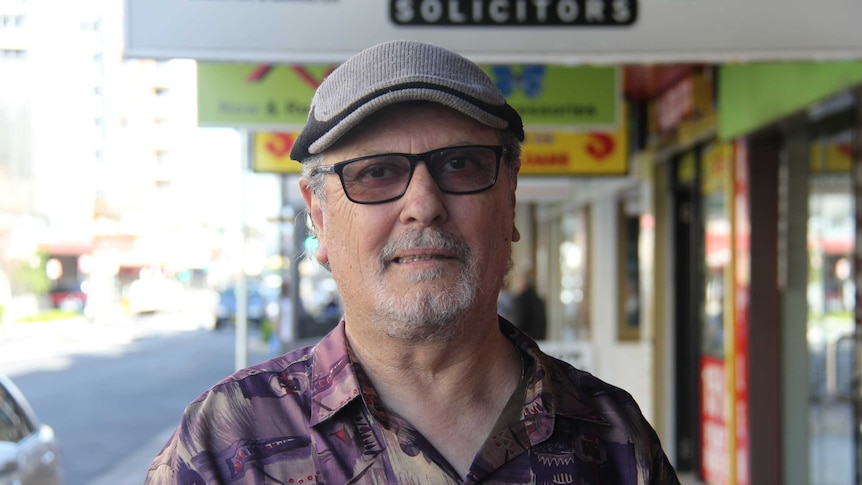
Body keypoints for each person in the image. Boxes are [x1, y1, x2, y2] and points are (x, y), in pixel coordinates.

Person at [144, 40, 679, 484]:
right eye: (375, 173)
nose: (423, 206)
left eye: (461, 164)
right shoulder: (223, 446)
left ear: (510, 199)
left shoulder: (613, 439)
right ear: (320, 220)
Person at [513, 268, 548, 340]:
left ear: (525, 282)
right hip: (539, 341)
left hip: (525, 341)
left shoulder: (522, 299)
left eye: (520, 280)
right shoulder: (539, 300)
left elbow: (520, 321)